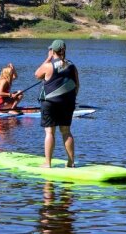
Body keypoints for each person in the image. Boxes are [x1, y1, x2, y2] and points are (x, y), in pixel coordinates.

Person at [35, 40, 79, 168]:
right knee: (66, 132)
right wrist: (70, 99)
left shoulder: (48, 65)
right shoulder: (72, 66)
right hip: (68, 103)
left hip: (50, 103)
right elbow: (77, 85)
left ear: (53, 51)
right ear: (64, 50)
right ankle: (71, 162)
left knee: (49, 132)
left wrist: (47, 59)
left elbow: (37, 74)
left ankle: (47, 163)